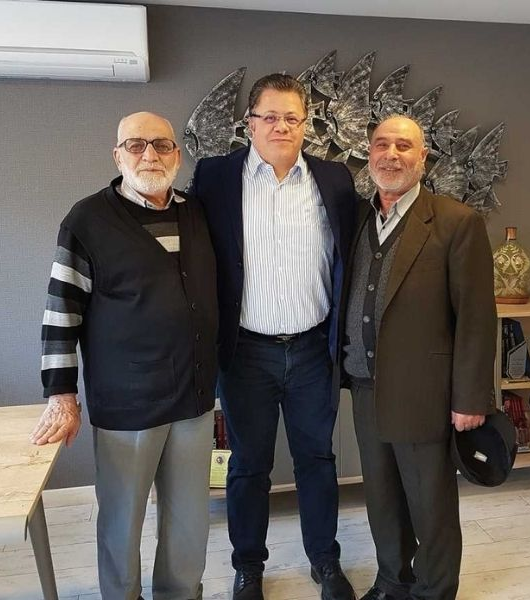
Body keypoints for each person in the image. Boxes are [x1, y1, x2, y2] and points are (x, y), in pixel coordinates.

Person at [30, 112, 218, 600]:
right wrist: (61, 395)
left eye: (161, 145)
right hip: (127, 402)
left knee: (190, 520)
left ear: (177, 154)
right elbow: (61, 311)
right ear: (118, 156)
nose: (149, 155)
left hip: (195, 397)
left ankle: (180, 593)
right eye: (136, 145)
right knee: (121, 519)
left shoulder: (197, 213)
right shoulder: (87, 220)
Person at [191, 73, 357, 600]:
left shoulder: (334, 179)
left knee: (317, 461)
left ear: (306, 124)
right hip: (245, 353)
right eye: (270, 116)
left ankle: (325, 561)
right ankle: (248, 568)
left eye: (291, 117)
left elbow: (348, 258)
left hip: (312, 350)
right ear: (250, 123)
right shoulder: (215, 177)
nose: (280, 126)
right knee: (248, 467)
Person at [343, 115, 496, 600]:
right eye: (382, 145)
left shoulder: (456, 223)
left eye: (404, 146)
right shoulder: (358, 220)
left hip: (424, 392)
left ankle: (435, 590)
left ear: (422, 157)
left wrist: (471, 397)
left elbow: (476, 317)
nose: (391, 155)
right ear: (369, 154)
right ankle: (392, 582)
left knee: (430, 504)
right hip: (365, 387)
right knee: (381, 498)